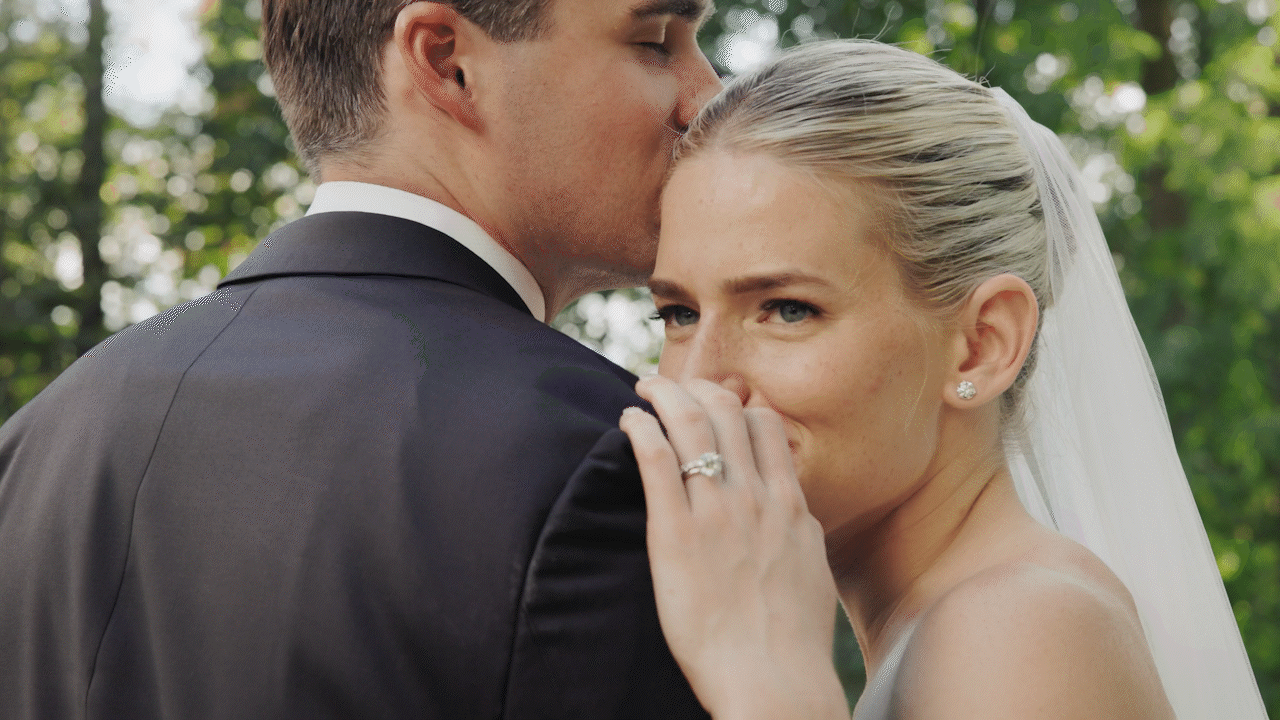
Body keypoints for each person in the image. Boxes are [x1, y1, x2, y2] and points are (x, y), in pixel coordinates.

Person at [0, 0, 720, 717]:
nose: (709, 94)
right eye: (657, 41)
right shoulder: (620, 457)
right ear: (447, 61)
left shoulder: (34, 443)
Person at [620, 40, 1269, 719]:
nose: (701, 380)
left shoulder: (1021, 626)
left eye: (787, 310)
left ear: (982, 347)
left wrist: (765, 683)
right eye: (680, 313)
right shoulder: (953, 627)